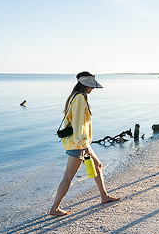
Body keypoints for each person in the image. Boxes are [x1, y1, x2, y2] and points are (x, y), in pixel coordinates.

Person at [50, 71, 120, 216]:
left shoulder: (75, 97)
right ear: (84, 84)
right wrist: (83, 145)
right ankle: (54, 209)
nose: (92, 88)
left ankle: (104, 196)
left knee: (97, 165)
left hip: (80, 142)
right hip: (78, 144)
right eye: (91, 86)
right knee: (68, 176)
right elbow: (77, 124)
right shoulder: (80, 99)